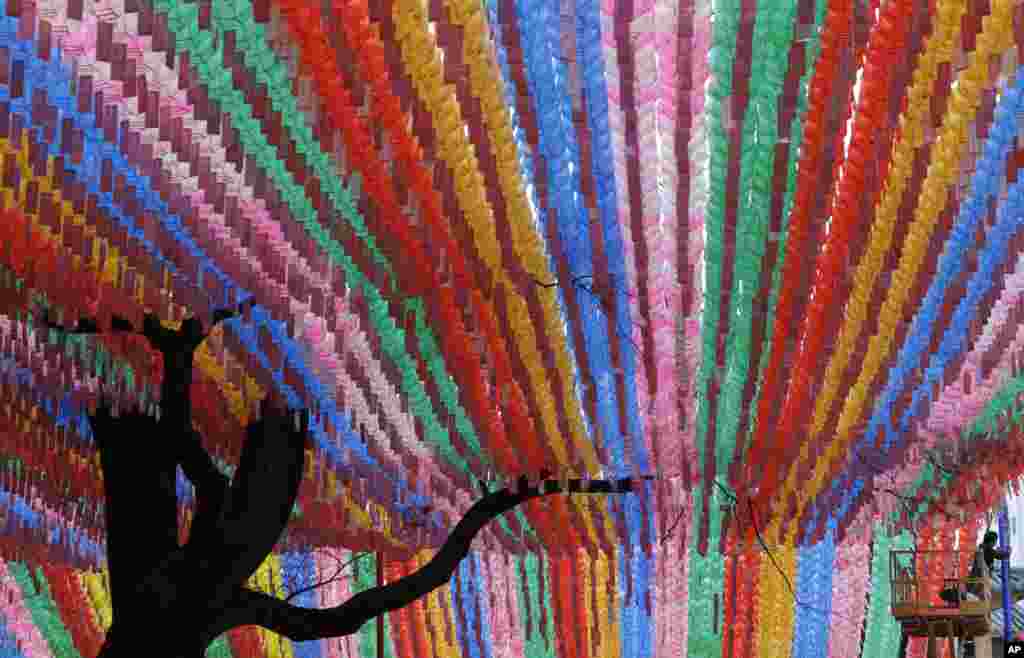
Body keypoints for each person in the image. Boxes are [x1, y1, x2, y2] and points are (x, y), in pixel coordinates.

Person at [968, 531, 1010, 597]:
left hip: (977, 574)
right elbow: (1002, 556)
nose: (995, 543)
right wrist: (1008, 550)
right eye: (995, 541)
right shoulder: (989, 550)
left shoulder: (981, 547)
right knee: (1002, 586)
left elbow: (995, 554)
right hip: (983, 575)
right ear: (991, 542)